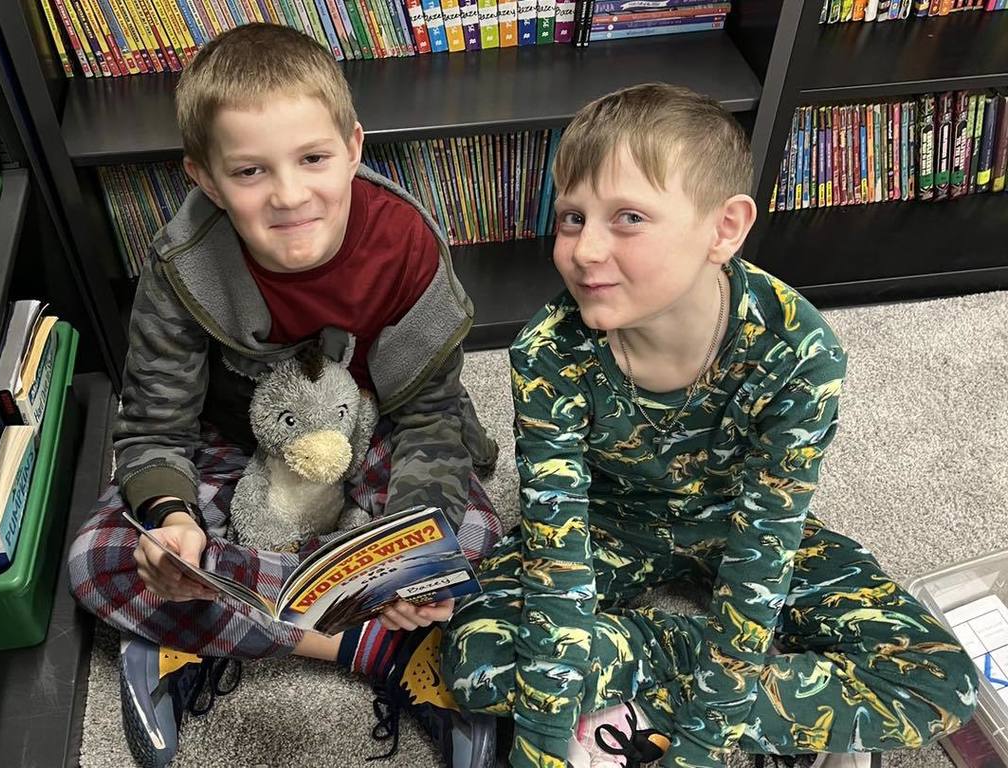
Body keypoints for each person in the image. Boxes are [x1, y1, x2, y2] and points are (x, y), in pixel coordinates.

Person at [438, 83, 978, 768]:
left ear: (724, 229)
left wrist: (706, 734)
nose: (585, 249)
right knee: (475, 662)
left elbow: (765, 546)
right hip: (608, 524)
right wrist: (542, 739)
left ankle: (645, 692)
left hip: (738, 523)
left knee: (939, 682)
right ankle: (683, 668)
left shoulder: (799, 350)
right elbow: (557, 543)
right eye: (572, 217)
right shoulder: (548, 351)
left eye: (629, 217)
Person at [67, 23, 503, 768]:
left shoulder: (407, 245)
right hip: (238, 441)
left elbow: (429, 419)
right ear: (205, 179)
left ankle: (195, 627)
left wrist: (413, 560)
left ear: (354, 148)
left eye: (313, 159)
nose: (290, 195)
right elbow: (154, 430)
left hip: (370, 431)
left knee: (475, 536)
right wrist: (174, 521)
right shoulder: (183, 264)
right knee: (98, 558)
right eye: (249, 172)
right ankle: (381, 648)